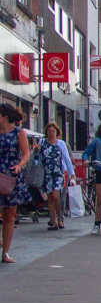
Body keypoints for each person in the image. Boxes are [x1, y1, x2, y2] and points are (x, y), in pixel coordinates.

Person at [0, 103, 31, 262]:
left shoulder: (19, 132)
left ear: (4, 116)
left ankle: (5, 252)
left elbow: (26, 153)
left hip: (11, 176)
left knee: (9, 215)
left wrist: (19, 165)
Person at [37, 122, 73, 231]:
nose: (51, 133)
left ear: (57, 132)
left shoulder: (61, 143)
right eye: (49, 131)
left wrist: (72, 174)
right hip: (47, 174)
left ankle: (60, 219)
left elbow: (67, 159)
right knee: (50, 198)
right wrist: (36, 151)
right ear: (46, 132)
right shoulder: (42, 142)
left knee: (56, 195)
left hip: (58, 173)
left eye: (53, 131)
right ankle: (53, 221)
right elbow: (36, 159)